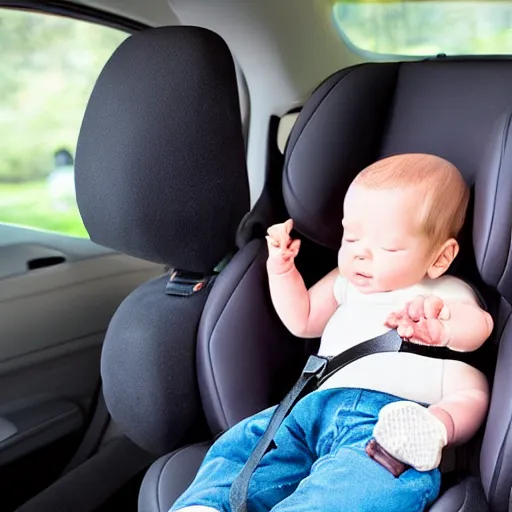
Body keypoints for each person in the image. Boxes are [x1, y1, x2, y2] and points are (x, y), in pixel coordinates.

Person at [171, 153, 493, 512]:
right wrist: (281, 271)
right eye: (351, 238)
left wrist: (443, 327)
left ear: (439, 258)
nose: (359, 256)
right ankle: (207, 505)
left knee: (368, 480)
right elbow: (302, 318)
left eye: (387, 247)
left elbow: (481, 329)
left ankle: (431, 430)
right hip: (310, 409)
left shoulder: (444, 292)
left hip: (388, 425)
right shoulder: (346, 285)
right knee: (244, 446)